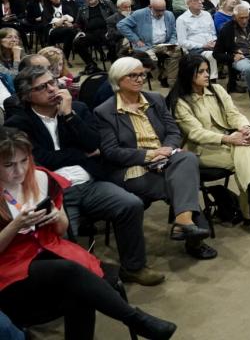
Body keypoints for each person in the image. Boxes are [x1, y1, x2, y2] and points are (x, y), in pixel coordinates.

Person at [0, 128, 177, 339]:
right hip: (9, 266)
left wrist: (56, 216)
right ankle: (135, 319)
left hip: (49, 252)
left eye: (24, 161)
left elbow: (61, 230)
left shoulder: (40, 178)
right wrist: (14, 225)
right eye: (8, 165)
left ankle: (137, 321)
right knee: (70, 272)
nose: (19, 171)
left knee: (79, 292)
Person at [6, 67, 164, 286]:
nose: (52, 89)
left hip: (90, 183)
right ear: (26, 95)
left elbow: (94, 144)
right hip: (54, 192)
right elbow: (38, 160)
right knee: (60, 234)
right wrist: (79, 155)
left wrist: (69, 116)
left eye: (52, 82)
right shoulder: (18, 123)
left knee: (130, 204)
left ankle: (134, 267)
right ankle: (72, 286)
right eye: (42, 87)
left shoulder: (77, 109)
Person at [94, 57, 217, 260]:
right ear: (118, 79)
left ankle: (184, 223)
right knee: (182, 186)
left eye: (142, 74)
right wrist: (149, 154)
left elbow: (173, 130)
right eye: (133, 75)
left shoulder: (155, 99)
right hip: (133, 168)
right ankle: (192, 235)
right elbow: (111, 151)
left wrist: (168, 148)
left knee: (187, 159)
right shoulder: (105, 111)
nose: (140, 79)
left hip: (165, 158)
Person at [166, 55, 250, 230]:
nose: (207, 75)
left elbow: (233, 114)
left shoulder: (216, 90)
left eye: (207, 70)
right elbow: (195, 133)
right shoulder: (180, 102)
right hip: (200, 150)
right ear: (188, 74)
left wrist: (245, 128)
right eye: (201, 72)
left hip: (227, 142)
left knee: (246, 147)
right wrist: (229, 138)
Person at [116, 0, 181, 88]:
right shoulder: (139, 14)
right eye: (158, 10)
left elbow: (174, 32)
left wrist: (172, 42)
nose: (161, 13)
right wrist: (136, 39)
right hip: (147, 45)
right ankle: (161, 76)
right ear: (150, 7)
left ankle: (171, 80)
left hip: (165, 43)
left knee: (178, 51)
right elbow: (121, 25)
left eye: (163, 10)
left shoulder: (169, 14)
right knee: (151, 58)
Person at [73, 0, 118, 74]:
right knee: (77, 42)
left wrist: (112, 29)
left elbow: (117, 16)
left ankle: (114, 62)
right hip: (91, 33)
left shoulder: (107, 4)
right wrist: (79, 31)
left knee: (112, 39)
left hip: (107, 30)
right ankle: (91, 65)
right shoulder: (82, 9)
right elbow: (77, 24)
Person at [175, 0, 218, 81]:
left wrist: (214, 42)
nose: (200, 2)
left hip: (212, 46)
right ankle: (212, 81)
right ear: (188, 3)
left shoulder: (207, 14)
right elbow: (182, 42)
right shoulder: (182, 19)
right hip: (196, 50)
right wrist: (203, 45)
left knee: (229, 52)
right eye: (196, 0)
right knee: (212, 55)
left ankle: (233, 83)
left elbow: (213, 33)